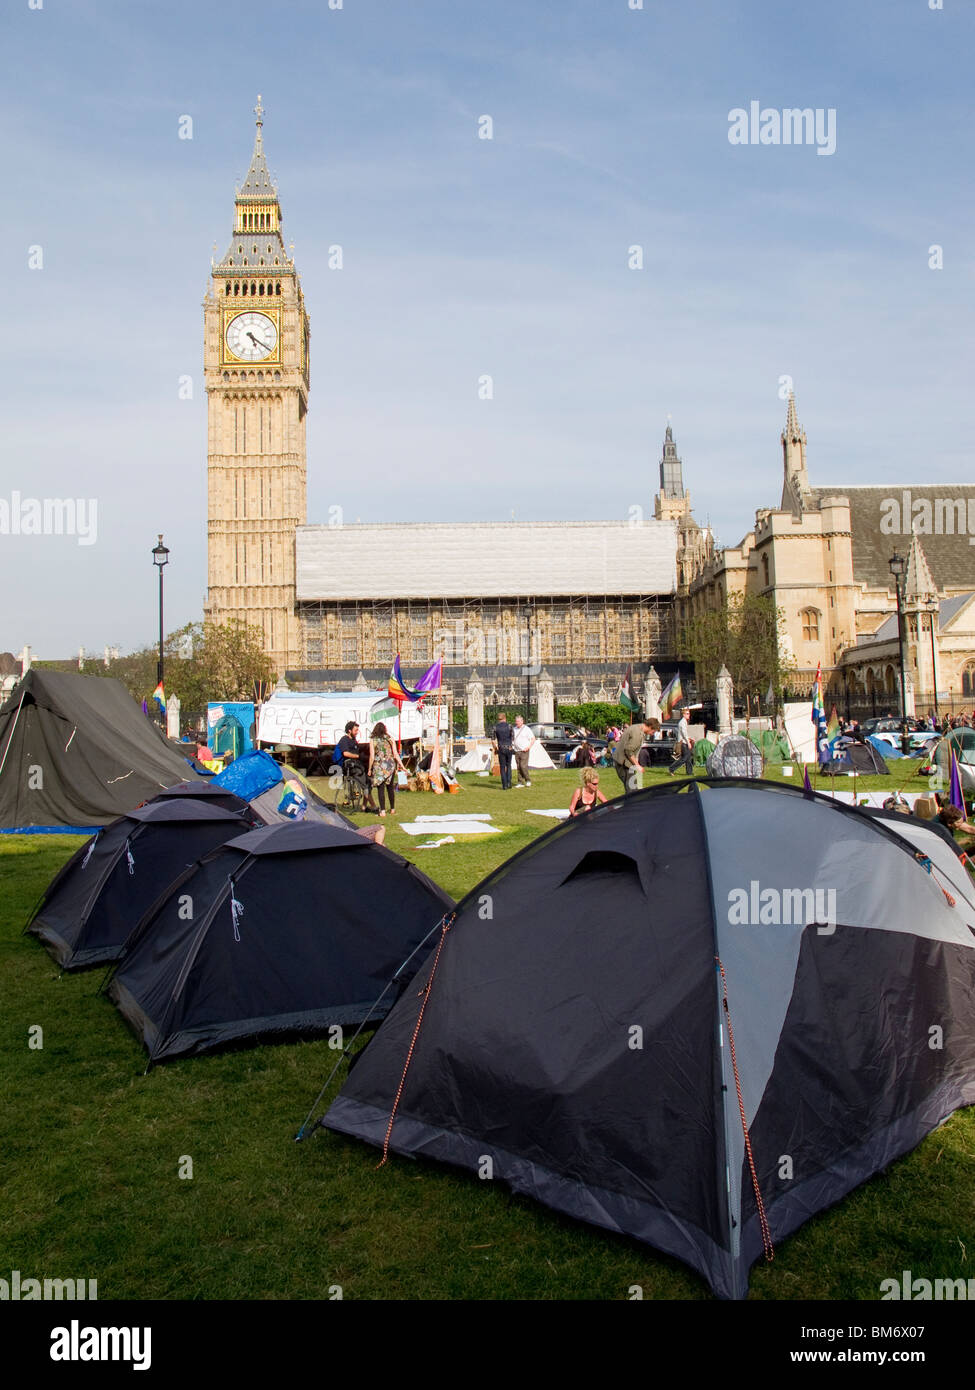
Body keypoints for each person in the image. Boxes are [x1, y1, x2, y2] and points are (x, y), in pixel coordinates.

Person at [334, 720, 379, 813]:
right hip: (350, 766)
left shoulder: (353, 740)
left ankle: (364, 806)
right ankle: (374, 807)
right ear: (349, 730)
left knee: (368, 783)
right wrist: (358, 756)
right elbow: (345, 753)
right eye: (355, 730)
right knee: (364, 785)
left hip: (358, 764)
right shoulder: (344, 740)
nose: (357, 732)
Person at [367, 721, 405, 817]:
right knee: (390, 788)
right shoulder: (390, 739)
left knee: (380, 788)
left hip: (379, 766)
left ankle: (383, 811)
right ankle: (392, 809)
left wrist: (369, 768)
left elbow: (372, 756)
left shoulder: (373, 739)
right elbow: (395, 754)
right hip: (390, 765)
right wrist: (402, 766)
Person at [612, 719, 655, 793]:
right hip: (623, 763)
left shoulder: (637, 727)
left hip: (625, 762)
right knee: (632, 790)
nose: (652, 734)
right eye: (653, 732)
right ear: (650, 727)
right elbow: (629, 751)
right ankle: (631, 804)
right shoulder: (637, 733)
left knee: (633, 787)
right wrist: (637, 765)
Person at [668, 708, 695, 777]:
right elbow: (684, 734)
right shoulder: (682, 722)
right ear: (683, 715)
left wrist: (689, 739)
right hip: (683, 743)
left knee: (688, 758)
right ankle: (671, 768)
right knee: (685, 758)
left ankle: (689, 772)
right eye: (687, 714)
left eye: (689, 713)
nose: (689, 715)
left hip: (683, 741)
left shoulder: (684, 722)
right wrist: (688, 742)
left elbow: (684, 734)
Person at [512, 715, 535, 788]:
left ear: (522, 721)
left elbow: (533, 738)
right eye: (516, 721)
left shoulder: (527, 729)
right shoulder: (514, 729)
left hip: (524, 750)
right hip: (517, 750)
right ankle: (520, 782)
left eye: (518, 721)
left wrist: (528, 747)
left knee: (523, 766)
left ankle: (528, 780)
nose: (517, 723)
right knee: (518, 767)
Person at [492, 712, 514, 790]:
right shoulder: (510, 726)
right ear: (505, 718)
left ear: (498, 719)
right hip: (509, 747)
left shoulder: (495, 727)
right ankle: (509, 782)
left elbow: (493, 740)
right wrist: (511, 745)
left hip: (501, 748)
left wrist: (495, 748)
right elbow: (513, 738)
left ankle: (504, 785)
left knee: (502, 767)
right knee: (508, 765)